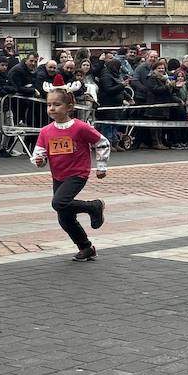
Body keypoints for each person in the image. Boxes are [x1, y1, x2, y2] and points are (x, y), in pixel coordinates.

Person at [32, 88, 111, 262]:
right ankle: (86, 248)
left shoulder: (80, 127)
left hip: (77, 173)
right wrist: (39, 160)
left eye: (57, 104)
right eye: (49, 105)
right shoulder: (46, 131)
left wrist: (101, 166)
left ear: (69, 106)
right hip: (58, 175)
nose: (51, 108)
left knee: (59, 203)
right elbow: (39, 152)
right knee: (64, 217)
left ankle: (94, 206)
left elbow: (102, 142)